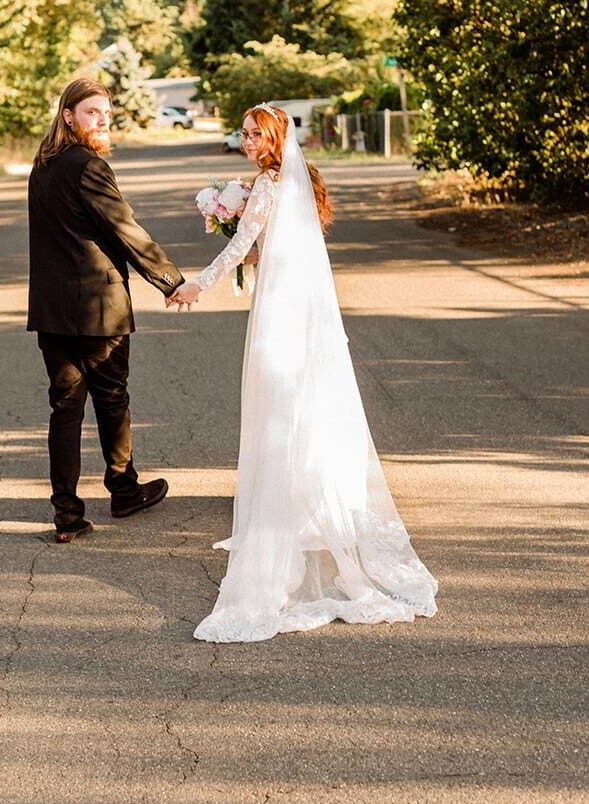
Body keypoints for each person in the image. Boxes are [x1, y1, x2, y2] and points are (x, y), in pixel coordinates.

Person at [167, 103, 438, 642]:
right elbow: (273, 248)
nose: (246, 141)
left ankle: (282, 519)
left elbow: (241, 248)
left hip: (280, 313)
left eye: (255, 134)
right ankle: (305, 505)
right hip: (305, 310)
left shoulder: (268, 187)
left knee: (277, 405)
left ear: (274, 139)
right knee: (303, 406)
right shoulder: (295, 182)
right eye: (244, 133)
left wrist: (198, 283)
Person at [28, 77, 192, 544]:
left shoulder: (41, 168)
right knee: (112, 398)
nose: (102, 120)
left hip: (52, 310)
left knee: (64, 409)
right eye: (92, 112)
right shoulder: (88, 166)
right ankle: (124, 490)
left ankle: (66, 514)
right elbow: (125, 229)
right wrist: (172, 282)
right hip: (98, 308)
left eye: (106, 113)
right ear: (68, 116)